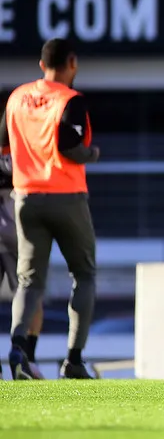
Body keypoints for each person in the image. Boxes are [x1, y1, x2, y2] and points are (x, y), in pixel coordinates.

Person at [2, 37, 100, 380]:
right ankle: (73, 359)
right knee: (84, 274)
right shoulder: (70, 100)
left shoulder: (16, 98)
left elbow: (3, 147)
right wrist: (93, 154)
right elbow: (70, 146)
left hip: (26, 198)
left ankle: (18, 351)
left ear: (41, 64)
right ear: (71, 62)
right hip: (67, 196)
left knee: (29, 282)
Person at [0, 155, 45, 380]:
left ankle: (26, 360)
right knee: (30, 286)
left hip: (14, 203)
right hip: (15, 205)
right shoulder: (19, 120)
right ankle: (28, 359)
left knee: (29, 286)